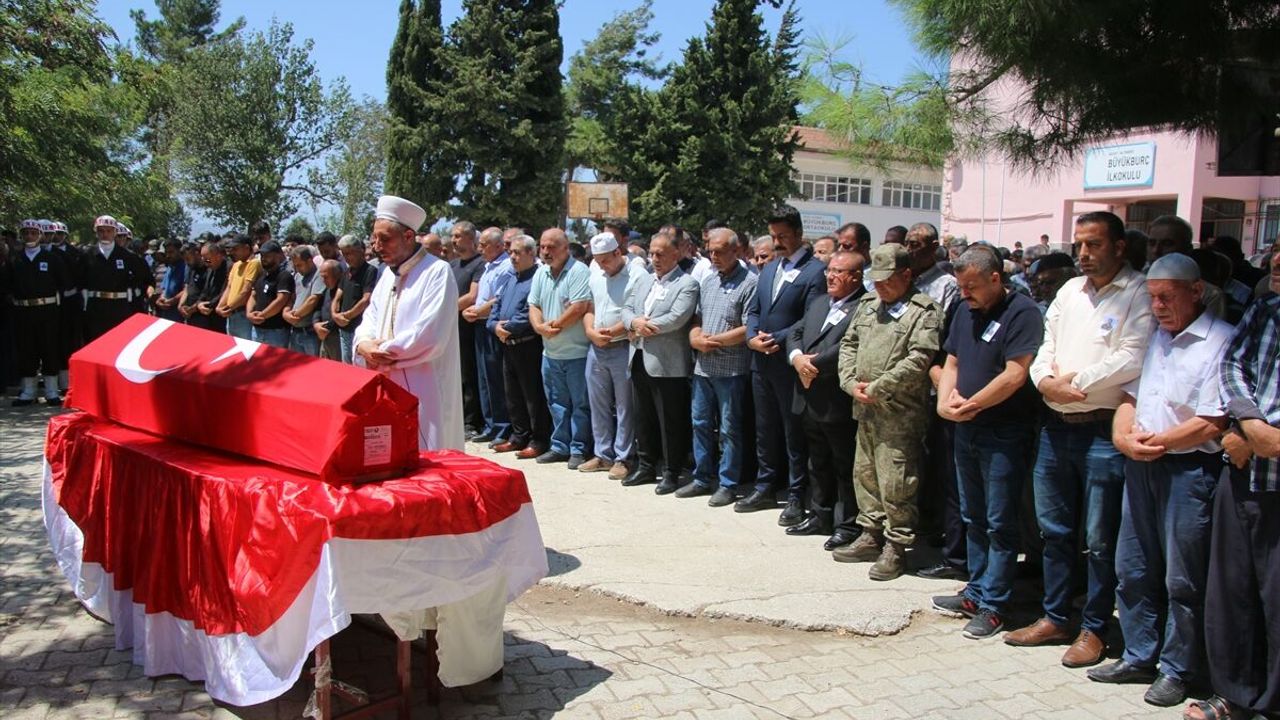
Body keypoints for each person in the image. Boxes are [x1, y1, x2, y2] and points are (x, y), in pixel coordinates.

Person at [1084, 253, 1232, 707]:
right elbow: (1131, 394)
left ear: (1197, 292)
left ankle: (1179, 668)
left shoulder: (1220, 341)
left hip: (1189, 471)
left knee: (1182, 578)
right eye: (1152, 297)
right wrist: (1122, 436)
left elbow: (1214, 420)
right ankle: (1139, 653)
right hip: (1142, 464)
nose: (1159, 306)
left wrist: (1161, 442)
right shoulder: (1157, 338)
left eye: (1167, 297)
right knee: (1133, 567)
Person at [1008, 211, 1154, 668]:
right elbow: (1046, 344)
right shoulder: (1070, 291)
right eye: (1080, 246)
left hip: (1102, 430)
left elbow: (1133, 356)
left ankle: (1095, 627)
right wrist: (1045, 381)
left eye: (1093, 245)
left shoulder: (1138, 293)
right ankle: (1055, 616)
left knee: (1099, 538)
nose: (1084, 255)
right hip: (1056, 427)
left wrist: (1076, 381)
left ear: (1119, 247)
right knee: (1054, 532)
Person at [1187, 238, 1280, 720]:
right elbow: (1232, 366)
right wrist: (1249, 425)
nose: (1277, 259)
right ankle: (1235, 696)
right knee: (1233, 592)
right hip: (1244, 469)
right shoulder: (1266, 308)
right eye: (1278, 247)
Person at [931, 245, 1043, 638]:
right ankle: (975, 591)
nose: (965, 294)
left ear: (996, 278)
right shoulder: (964, 309)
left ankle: (995, 604)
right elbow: (953, 363)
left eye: (972, 286)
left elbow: (1016, 374)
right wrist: (947, 404)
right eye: (961, 286)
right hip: (967, 428)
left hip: (1004, 431)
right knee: (973, 515)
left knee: (999, 521)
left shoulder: (1023, 312)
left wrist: (973, 404)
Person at [834, 244, 941, 580]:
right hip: (864, 407)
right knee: (864, 473)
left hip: (899, 411)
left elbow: (919, 359)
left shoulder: (924, 312)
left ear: (907, 275)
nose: (879, 286)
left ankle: (897, 545)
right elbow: (849, 344)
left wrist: (879, 386)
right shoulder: (868, 305)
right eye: (875, 279)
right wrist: (850, 383)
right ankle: (871, 532)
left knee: (897, 480)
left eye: (887, 280)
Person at [353, 195, 464, 451]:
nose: (377, 245)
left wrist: (381, 352)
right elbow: (369, 319)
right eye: (375, 238)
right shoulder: (386, 276)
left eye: (385, 239)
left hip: (424, 383)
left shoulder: (437, 272)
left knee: (426, 453)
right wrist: (363, 345)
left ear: (408, 236)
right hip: (385, 381)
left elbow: (429, 334)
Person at [739, 205, 826, 522]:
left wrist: (777, 336)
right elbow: (753, 310)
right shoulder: (769, 269)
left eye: (783, 236)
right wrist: (750, 337)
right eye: (773, 236)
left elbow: (812, 318)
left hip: (789, 363)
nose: (777, 242)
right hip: (760, 362)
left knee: (794, 433)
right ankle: (764, 486)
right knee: (765, 430)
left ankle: (795, 494)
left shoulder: (816, 272)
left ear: (799, 234)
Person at [784, 250, 866, 548]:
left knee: (844, 464)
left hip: (835, 398)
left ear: (856, 276)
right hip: (807, 395)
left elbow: (848, 347)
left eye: (838, 271)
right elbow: (796, 331)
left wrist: (813, 366)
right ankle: (820, 514)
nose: (830, 276)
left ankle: (848, 523)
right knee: (816, 460)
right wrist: (796, 359)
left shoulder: (864, 307)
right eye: (829, 270)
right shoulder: (820, 302)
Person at [681, 228, 759, 507]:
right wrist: (695, 337)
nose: (714, 256)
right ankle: (702, 477)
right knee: (700, 423)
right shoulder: (709, 280)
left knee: (729, 429)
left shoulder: (750, 283)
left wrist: (714, 341)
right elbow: (698, 317)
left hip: (732, 369)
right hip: (704, 367)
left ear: (736, 251)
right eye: (711, 251)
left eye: (720, 251)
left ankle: (728, 483)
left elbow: (750, 326)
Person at [620, 232, 699, 493]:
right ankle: (645, 465)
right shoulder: (644, 280)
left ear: (676, 254)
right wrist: (633, 322)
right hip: (640, 356)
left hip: (668, 364)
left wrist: (643, 326)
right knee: (643, 416)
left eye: (660, 254)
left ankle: (671, 471)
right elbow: (627, 307)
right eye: (652, 253)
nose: (654, 258)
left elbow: (678, 318)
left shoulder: (687, 283)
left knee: (670, 420)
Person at [527, 228, 594, 467]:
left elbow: (579, 307)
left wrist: (551, 326)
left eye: (551, 247)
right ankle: (559, 446)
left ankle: (579, 449)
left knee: (580, 405)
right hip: (550, 353)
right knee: (556, 404)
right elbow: (533, 305)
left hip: (576, 353)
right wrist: (539, 327)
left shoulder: (578, 271)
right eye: (543, 246)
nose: (546, 252)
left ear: (566, 248)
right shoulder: (541, 272)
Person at [581, 232, 640, 478]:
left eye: (605, 259)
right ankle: (602, 453)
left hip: (623, 346)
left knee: (625, 405)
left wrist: (614, 331)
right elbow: (590, 308)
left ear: (618, 252)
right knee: (598, 404)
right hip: (597, 347)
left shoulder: (637, 276)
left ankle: (623, 457)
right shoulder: (596, 275)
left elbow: (639, 312)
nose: (602, 265)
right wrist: (589, 331)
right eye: (597, 260)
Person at [490, 235, 552, 458]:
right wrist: (495, 326)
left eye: (517, 253)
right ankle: (518, 436)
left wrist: (509, 328)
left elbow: (531, 312)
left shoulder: (538, 278)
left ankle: (539, 440)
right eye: (511, 253)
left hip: (528, 345)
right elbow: (496, 308)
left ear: (530, 253)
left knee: (532, 395)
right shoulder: (510, 279)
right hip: (508, 345)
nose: (512, 257)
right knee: (513, 394)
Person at [6, 219, 70, 406]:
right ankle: (28, 391)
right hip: (23, 311)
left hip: (48, 310)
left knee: (49, 347)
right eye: (26, 233)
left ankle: (51, 391)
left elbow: (63, 282)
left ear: (40, 235)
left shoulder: (51, 258)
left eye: (33, 233)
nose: (29, 236)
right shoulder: (15, 259)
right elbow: (7, 285)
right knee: (27, 349)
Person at [464, 227, 514, 445]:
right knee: (484, 378)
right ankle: (491, 424)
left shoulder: (505, 266)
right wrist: (472, 310)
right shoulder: (487, 265)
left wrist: (478, 311)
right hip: (479, 325)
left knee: (495, 378)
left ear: (498, 245)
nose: (479, 248)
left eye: (483, 245)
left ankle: (503, 426)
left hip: (492, 325)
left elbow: (499, 298)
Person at [449, 222, 486, 438]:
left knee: (469, 374)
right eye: (452, 236)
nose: (454, 240)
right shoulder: (452, 266)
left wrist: (444, 309)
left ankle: (472, 422)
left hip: (469, 329)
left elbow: (472, 296)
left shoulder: (479, 264)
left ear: (471, 239)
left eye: (459, 236)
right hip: (451, 327)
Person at [82, 215, 143, 342]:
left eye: (109, 231)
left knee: (119, 342)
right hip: (96, 307)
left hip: (119, 307)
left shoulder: (127, 256)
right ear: (96, 232)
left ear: (115, 232)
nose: (105, 234)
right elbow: (80, 280)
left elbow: (140, 279)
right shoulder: (87, 255)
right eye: (101, 231)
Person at [332, 235, 378, 364]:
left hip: (358, 330)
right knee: (346, 367)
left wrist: (347, 316)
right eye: (344, 254)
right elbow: (338, 295)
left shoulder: (370, 271)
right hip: (344, 330)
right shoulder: (347, 272)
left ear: (360, 250)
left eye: (350, 253)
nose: (347, 257)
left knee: (360, 367)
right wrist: (335, 315)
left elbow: (366, 299)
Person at [245, 240, 294, 349]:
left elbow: (281, 299)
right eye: (262, 255)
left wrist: (262, 315)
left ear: (278, 256)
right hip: (257, 330)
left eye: (267, 255)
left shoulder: (284, 276)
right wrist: (249, 313)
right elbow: (253, 295)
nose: (263, 258)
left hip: (276, 331)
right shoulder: (261, 277)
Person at [216, 234, 262, 340]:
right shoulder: (236, 265)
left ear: (246, 247)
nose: (233, 252)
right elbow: (229, 288)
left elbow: (246, 290)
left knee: (245, 349)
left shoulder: (254, 263)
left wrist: (228, 308)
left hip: (242, 314)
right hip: (231, 314)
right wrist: (219, 307)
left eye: (236, 249)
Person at [282, 245, 325, 356]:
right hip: (295, 331)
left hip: (310, 333)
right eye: (295, 266)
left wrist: (295, 315)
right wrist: (286, 313)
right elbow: (292, 298)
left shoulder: (319, 275)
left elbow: (313, 300)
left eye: (300, 265)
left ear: (310, 261)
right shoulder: (298, 276)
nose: (298, 269)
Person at [194, 239, 229, 334]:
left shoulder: (229, 268)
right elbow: (205, 290)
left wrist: (209, 305)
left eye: (208, 260)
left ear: (218, 256)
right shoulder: (210, 269)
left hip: (222, 316)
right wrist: (199, 303)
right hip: (208, 316)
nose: (205, 263)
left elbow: (225, 291)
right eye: (203, 259)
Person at [314, 259, 343, 360]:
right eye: (322, 277)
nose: (323, 281)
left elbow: (341, 313)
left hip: (336, 338)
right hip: (324, 336)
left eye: (326, 277)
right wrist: (316, 324)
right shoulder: (326, 290)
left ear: (337, 275)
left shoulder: (343, 291)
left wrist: (326, 328)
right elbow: (318, 308)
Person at [153, 239, 186, 321]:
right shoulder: (170, 267)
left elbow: (187, 289)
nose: (168, 255)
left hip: (179, 314)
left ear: (179, 251)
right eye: (167, 253)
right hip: (166, 313)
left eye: (171, 252)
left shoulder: (186, 268)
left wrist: (173, 301)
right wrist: (161, 299)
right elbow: (164, 288)